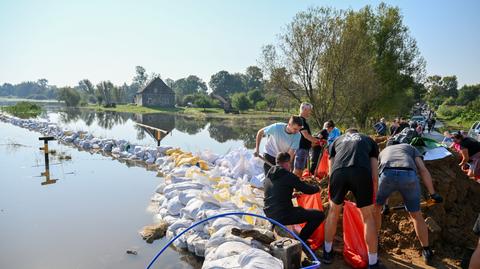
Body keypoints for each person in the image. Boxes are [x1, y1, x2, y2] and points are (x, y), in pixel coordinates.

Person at [374, 143, 443, 265]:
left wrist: (385, 205)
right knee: (416, 215)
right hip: (408, 174)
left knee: (376, 209)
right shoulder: (410, 147)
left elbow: (382, 175)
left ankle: (374, 242)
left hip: (387, 174)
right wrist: (433, 194)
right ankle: (426, 251)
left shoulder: (383, 151)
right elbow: (422, 169)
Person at [322, 129, 381, 268]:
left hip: (338, 172)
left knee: (333, 213)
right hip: (361, 172)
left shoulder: (336, 141)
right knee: (368, 217)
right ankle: (373, 262)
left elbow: (330, 171)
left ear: (347, 134)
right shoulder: (369, 140)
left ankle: (327, 252)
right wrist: (375, 195)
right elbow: (374, 174)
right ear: (358, 133)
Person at [263, 152, 325, 242]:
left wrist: (291, 196)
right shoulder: (288, 175)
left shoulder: (268, 176)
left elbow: (274, 193)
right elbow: (307, 190)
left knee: (300, 211)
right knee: (319, 215)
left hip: (269, 213)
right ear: (287, 162)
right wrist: (318, 188)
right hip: (283, 215)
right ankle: (301, 241)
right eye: (290, 163)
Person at [294, 103, 320, 177]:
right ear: (305, 110)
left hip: (303, 148)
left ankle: (296, 186)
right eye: (309, 110)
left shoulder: (302, 121)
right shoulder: (300, 120)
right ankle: (294, 187)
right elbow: (306, 135)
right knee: (298, 170)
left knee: (300, 169)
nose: (310, 112)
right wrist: (318, 141)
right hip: (301, 148)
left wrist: (315, 141)